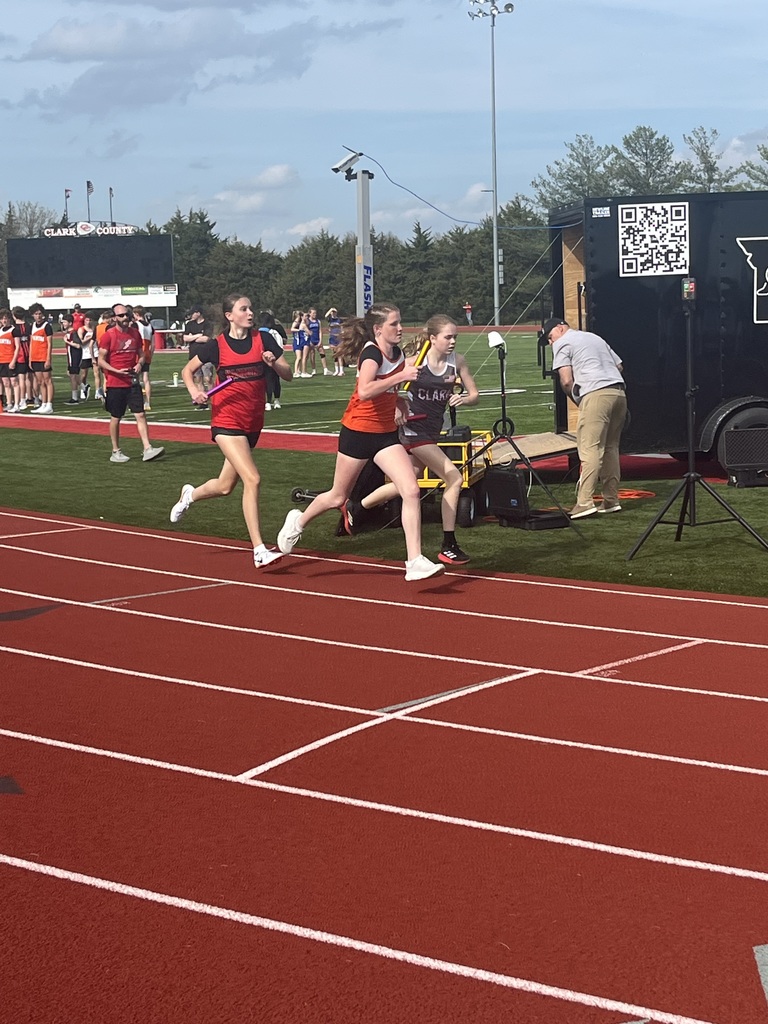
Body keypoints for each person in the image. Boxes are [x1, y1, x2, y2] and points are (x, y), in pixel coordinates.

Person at [277, 302, 444, 582]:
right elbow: (365, 390)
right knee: (338, 497)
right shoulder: (371, 353)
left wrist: (399, 400)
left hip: (385, 434)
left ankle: (414, 560)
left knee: (411, 490)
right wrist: (401, 376)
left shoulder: (397, 353)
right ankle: (298, 520)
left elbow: (386, 389)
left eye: (400, 322)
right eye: (394, 324)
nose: (400, 328)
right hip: (358, 432)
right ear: (378, 329)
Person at [342, 314, 480, 565]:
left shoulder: (457, 362)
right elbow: (389, 388)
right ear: (432, 338)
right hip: (413, 429)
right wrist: (396, 406)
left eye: (455, 337)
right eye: (447, 337)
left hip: (432, 430)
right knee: (454, 477)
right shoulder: (415, 363)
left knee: (408, 483)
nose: (452, 342)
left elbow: (475, 394)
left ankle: (357, 507)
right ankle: (448, 544)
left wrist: (464, 398)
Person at [169, 293, 292, 569]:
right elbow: (188, 371)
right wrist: (195, 391)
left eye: (251, 308)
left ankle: (190, 495)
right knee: (253, 479)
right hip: (226, 421)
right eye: (244, 309)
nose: (250, 313)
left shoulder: (264, 340)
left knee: (225, 487)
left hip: (252, 421)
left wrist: (273, 362)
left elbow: (289, 374)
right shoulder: (217, 346)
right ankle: (259, 549)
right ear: (229, 315)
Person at [543, 317, 626, 518]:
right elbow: (619, 366)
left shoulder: (563, 342)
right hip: (619, 393)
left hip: (595, 393)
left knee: (590, 448)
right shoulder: (594, 338)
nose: (550, 342)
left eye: (550, 337)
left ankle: (584, 502)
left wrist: (578, 397)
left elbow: (566, 380)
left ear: (560, 328)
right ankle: (611, 500)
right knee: (611, 448)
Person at [97, 303, 165, 464]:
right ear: (114, 318)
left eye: (126, 314)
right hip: (115, 382)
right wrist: (115, 371)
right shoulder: (108, 335)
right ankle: (116, 450)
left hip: (132, 380)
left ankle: (147, 448)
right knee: (116, 417)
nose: (125, 317)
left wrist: (139, 364)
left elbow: (141, 354)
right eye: (121, 315)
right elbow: (100, 360)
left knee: (140, 413)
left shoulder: (135, 334)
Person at [28, 303, 54, 414]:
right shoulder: (32, 326)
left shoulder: (47, 326)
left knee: (47, 381)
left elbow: (49, 343)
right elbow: (31, 343)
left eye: (39, 313)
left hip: (44, 357)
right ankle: (43, 403)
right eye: (36, 314)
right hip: (35, 358)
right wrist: (30, 358)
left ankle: (49, 404)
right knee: (40, 382)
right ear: (33, 315)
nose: (38, 316)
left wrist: (48, 358)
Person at [183, 305, 213, 399]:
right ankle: (202, 400)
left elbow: (206, 339)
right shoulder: (189, 324)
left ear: (198, 313)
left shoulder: (208, 324)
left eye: (193, 313)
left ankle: (213, 398)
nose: (191, 315)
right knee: (198, 379)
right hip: (193, 355)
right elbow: (185, 338)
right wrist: (198, 335)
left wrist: (192, 337)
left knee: (208, 378)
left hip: (206, 355)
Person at [258, 311, 284, 410]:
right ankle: (276, 400)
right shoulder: (274, 332)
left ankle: (269, 402)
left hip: (264, 359)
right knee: (275, 380)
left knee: (267, 380)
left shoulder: (257, 333)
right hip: (274, 359)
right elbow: (280, 347)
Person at [132, 304, 155, 410]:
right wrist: (151, 355)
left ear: (136, 314)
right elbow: (153, 344)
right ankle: (148, 402)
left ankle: (135, 401)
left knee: (135, 378)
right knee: (146, 378)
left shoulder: (136, 325)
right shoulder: (150, 326)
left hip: (138, 353)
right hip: (147, 353)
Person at [0, 308, 20, 413]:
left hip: (10, 359)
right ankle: (9, 403)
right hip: (1, 360)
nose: (4, 321)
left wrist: (13, 360)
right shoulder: (0, 331)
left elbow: (17, 347)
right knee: (6, 383)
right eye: (2, 319)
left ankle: (16, 404)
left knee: (14, 382)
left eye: (6, 318)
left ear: (9, 319)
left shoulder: (14, 330)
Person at [63, 315, 82, 405]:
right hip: (71, 356)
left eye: (65, 322)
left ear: (70, 323)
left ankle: (75, 398)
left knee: (73, 376)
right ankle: (83, 386)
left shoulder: (73, 333)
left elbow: (78, 345)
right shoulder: (68, 332)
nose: (63, 324)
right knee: (71, 374)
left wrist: (67, 342)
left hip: (75, 356)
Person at [307, 307, 331, 376]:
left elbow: (320, 331)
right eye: (313, 313)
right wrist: (309, 341)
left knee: (322, 353)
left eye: (315, 313)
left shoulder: (318, 321)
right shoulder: (308, 321)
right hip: (311, 340)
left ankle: (325, 369)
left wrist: (320, 341)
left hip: (317, 339)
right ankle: (313, 369)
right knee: (312, 354)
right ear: (310, 313)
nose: (315, 314)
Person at [325, 307, 344, 375]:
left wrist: (342, 336)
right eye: (332, 312)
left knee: (340, 354)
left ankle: (341, 370)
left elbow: (342, 328)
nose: (333, 313)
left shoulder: (339, 320)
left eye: (334, 312)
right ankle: (336, 370)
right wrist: (330, 310)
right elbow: (325, 316)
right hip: (332, 338)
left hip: (338, 338)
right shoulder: (330, 319)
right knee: (334, 354)